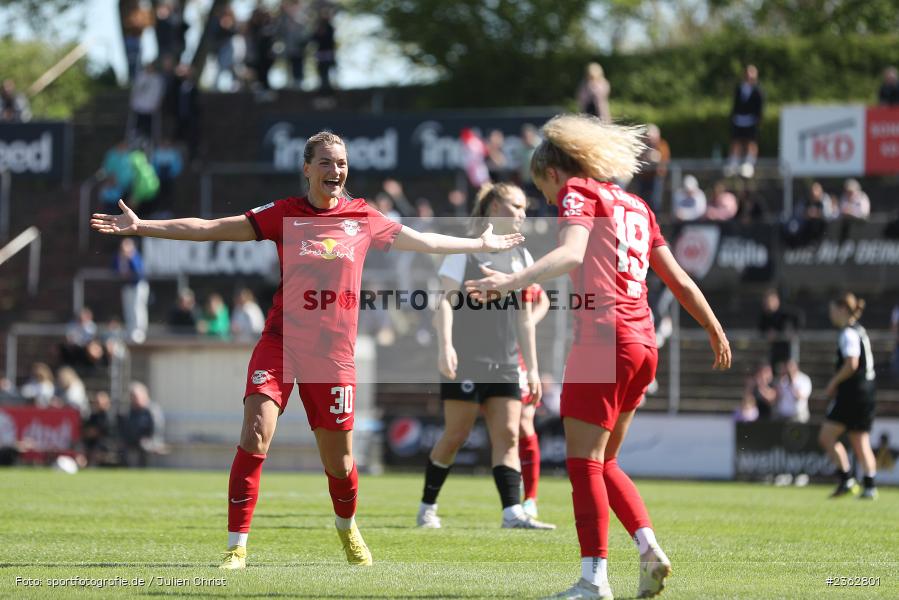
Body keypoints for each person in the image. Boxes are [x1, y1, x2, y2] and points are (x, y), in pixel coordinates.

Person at [91, 130, 524, 570]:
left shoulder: (363, 217)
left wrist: (479, 244)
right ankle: (236, 547)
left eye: (340, 163)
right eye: (325, 162)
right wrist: (143, 226)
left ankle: (347, 527)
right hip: (281, 343)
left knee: (340, 464)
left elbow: (425, 241)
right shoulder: (284, 214)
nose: (335, 170)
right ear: (307, 168)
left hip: (334, 356)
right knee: (255, 432)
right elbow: (211, 229)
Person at [465, 114, 731, 600]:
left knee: (583, 462)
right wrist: (714, 328)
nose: (546, 201)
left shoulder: (577, 194)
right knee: (606, 460)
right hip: (642, 344)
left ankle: (593, 580)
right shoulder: (635, 204)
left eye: (541, 187)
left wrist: (507, 282)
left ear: (552, 172)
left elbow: (570, 254)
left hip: (603, 339)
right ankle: (648, 548)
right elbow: (680, 281)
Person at [417, 183, 554, 531]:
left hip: (506, 363)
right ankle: (427, 507)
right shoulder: (463, 252)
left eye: (525, 207)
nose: (523, 214)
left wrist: (533, 369)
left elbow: (526, 317)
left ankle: (512, 513)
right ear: (494, 206)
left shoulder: (522, 258)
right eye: (516, 206)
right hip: (468, 361)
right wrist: (445, 346)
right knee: (456, 435)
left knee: (508, 436)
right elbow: (445, 303)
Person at [818, 293, 878, 500]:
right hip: (866, 392)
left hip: (853, 394)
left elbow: (852, 363)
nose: (831, 314)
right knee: (860, 440)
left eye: (833, 309)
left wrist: (833, 382)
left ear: (843, 309)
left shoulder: (848, 333)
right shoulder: (860, 331)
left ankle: (847, 479)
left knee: (826, 436)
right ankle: (869, 485)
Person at [518, 283, 551, 518]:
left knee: (523, 421)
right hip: (481, 352)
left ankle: (530, 497)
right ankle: (430, 502)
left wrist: (528, 322)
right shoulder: (471, 260)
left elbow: (544, 300)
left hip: (516, 355)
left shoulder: (519, 261)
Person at [725, 65, 763, 179]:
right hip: (739, 120)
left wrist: (758, 120)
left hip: (751, 120)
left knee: (751, 142)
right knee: (736, 141)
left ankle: (749, 164)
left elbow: (760, 107)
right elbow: (735, 105)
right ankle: (734, 163)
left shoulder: (758, 91)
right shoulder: (739, 88)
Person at [114, 238, 149, 343]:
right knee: (128, 309)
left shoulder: (135, 256)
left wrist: (130, 258)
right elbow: (115, 269)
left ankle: (139, 332)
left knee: (137, 308)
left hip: (138, 285)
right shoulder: (119, 257)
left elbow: (138, 271)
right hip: (127, 286)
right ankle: (130, 330)